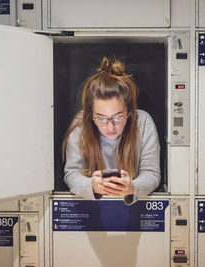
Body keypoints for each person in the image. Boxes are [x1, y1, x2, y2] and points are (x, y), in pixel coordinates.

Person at [62, 57, 160, 205]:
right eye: (101, 118)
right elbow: (71, 174)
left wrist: (132, 187)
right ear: (91, 115)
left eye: (117, 117)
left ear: (128, 112)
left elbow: (151, 174)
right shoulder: (81, 124)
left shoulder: (143, 122)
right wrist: (92, 186)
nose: (110, 127)